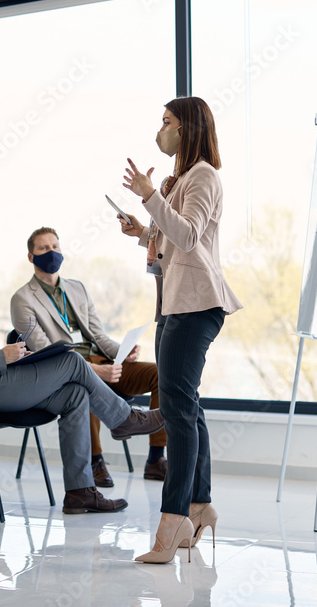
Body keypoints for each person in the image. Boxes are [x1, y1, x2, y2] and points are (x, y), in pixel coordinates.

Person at [0, 231, 165, 514]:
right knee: (72, 361)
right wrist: (1, 356)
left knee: (75, 394)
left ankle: (80, 492)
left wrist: (14, 358)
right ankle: (124, 419)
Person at [118, 96, 242, 563]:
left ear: (188, 129)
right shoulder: (184, 180)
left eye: (168, 122)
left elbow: (189, 236)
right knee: (185, 404)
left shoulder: (205, 175)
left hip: (196, 305)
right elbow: (174, 241)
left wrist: (149, 195)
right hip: (175, 304)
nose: (161, 130)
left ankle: (172, 525)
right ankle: (199, 505)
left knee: (176, 408)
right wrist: (143, 232)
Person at [9, 227, 167, 487]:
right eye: (43, 248)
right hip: (65, 371)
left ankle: (155, 459)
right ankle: (95, 463)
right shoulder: (22, 299)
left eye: (55, 247)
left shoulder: (77, 288)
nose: (51, 252)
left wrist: (122, 352)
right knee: (84, 386)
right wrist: (94, 372)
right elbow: (47, 352)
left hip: (103, 363)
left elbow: (98, 335)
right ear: (30, 257)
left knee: (159, 375)